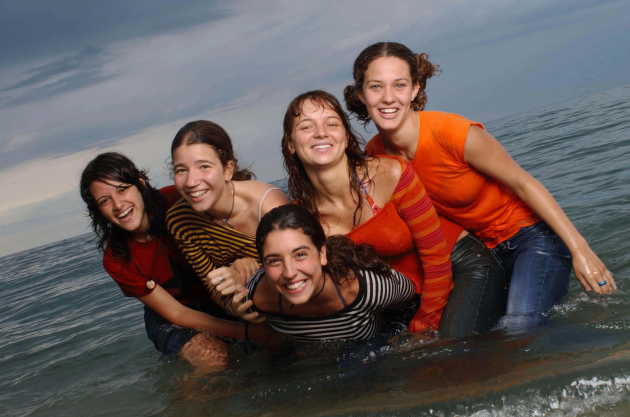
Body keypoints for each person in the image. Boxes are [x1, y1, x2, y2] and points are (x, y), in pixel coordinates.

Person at [343, 41, 615, 328]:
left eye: (399, 85)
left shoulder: (451, 132)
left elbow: (524, 183)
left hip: (530, 239)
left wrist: (581, 251)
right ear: (361, 94)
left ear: (414, 90)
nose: (388, 98)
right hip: (482, 256)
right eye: (376, 87)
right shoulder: (375, 158)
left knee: (519, 328)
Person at [278, 90, 504, 335]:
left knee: (450, 348)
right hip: (401, 296)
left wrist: (425, 321)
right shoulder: (300, 220)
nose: (321, 132)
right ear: (291, 144)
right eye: (306, 127)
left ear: (345, 136)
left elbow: (437, 258)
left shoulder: (390, 173)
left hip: (459, 263)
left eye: (331, 124)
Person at [79, 152, 272, 366]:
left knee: (270, 349)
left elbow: (238, 229)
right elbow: (177, 313)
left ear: (140, 184)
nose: (117, 204)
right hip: (170, 311)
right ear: (98, 211)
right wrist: (248, 332)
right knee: (214, 358)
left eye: (122, 189)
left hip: (216, 291)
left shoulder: (177, 200)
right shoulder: (116, 259)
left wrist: (244, 260)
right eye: (104, 201)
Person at [232, 204, 419, 345]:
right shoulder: (256, 297)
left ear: (322, 254)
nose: (289, 273)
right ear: (263, 265)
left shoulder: (367, 286)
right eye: (274, 260)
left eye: (300, 255)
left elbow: (412, 303)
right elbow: (226, 300)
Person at [166, 120, 290, 317]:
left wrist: (251, 271)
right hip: (252, 309)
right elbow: (213, 285)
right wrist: (235, 307)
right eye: (181, 170)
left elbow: (299, 269)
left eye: (204, 166)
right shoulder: (180, 221)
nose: (191, 182)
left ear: (228, 170)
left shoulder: (269, 206)